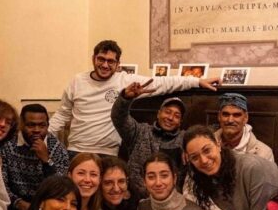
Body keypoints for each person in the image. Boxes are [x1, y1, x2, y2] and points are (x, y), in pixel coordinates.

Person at [49, 39, 218, 157]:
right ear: (94, 59)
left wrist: (196, 81)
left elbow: (162, 83)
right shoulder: (77, 81)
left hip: (107, 153)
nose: (105, 65)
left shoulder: (125, 81)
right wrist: (44, 137)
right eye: (101, 59)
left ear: (118, 64)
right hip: (76, 150)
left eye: (111, 61)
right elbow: (62, 114)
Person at [184, 93, 275, 210]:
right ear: (219, 117)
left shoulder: (263, 152)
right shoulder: (201, 145)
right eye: (225, 114)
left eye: (236, 115)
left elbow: (266, 197)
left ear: (245, 118)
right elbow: (190, 189)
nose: (230, 120)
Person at [112, 81, 189, 199]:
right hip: (136, 199)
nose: (170, 118)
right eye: (167, 112)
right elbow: (119, 118)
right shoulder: (140, 131)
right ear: (158, 114)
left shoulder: (185, 139)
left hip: (171, 201)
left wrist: (189, 148)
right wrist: (126, 98)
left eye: (176, 116)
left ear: (180, 122)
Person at [0, 103, 69, 210]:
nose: (37, 130)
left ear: (48, 125)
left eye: (42, 125)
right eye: (31, 125)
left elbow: (61, 187)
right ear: (21, 125)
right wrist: (18, 203)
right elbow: (0, 184)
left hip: (45, 207)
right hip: (12, 206)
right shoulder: (6, 145)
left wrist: (47, 161)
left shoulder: (57, 148)